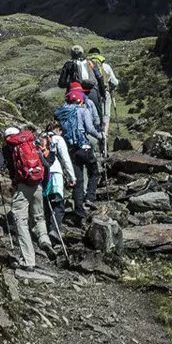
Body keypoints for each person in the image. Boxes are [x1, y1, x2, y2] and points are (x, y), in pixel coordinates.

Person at [0, 127, 55, 269]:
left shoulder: (6, 149)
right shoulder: (31, 144)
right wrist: (43, 185)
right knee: (39, 216)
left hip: (22, 186)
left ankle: (28, 260)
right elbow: (46, 165)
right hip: (37, 184)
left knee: (21, 220)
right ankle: (44, 240)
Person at [53, 85, 101, 223]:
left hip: (71, 150)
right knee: (94, 172)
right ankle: (90, 198)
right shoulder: (82, 110)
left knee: (78, 181)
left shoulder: (61, 113)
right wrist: (101, 136)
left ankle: (79, 213)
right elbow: (90, 129)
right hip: (84, 147)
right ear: (79, 100)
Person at [40, 126, 75, 245]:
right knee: (59, 205)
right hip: (56, 173)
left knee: (48, 203)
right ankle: (55, 230)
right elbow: (65, 158)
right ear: (58, 130)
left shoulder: (40, 139)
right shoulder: (58, 139)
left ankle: (48, 231)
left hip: (43, 174)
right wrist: (72, 177)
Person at [87, 47, 120, 140]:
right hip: (104, 93)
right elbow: (115, 82)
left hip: (89, 93)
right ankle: (104, 137)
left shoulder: (86, 65)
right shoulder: (105, 66)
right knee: (105, 115)